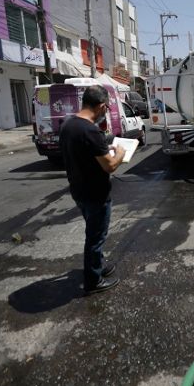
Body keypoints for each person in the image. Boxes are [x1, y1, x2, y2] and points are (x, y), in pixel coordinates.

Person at [59, 86, 126, 295]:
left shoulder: (68, 125)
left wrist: (104, 148)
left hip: (78, 190)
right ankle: (93, 280)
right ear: (102, 106)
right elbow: (110, 166)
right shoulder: (90, 130)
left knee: (94, 232)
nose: (106, 111)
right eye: (106, 108)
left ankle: (99, 265)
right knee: (96, 237)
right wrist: (121, 153)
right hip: (95, 194)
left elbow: (87, 153)